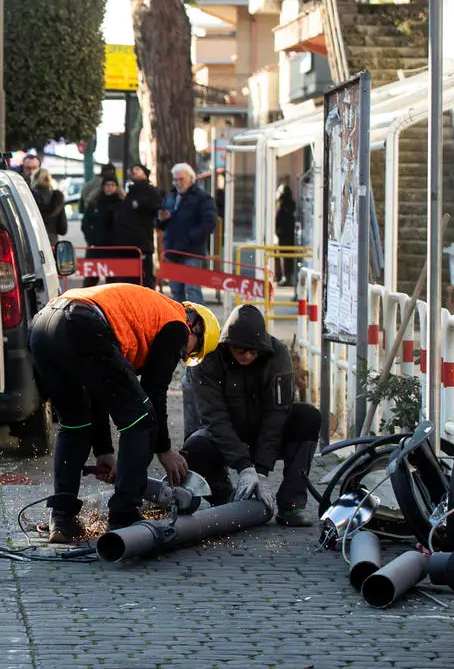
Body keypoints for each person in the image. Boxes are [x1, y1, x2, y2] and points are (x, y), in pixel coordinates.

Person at [28, 283, 220, 542]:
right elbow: (154, 391)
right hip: (81, 323)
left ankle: (62, 519)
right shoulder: (176, 324)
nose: (185, 355)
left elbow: (99, 392)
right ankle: (124, 514)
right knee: (141, 419)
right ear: (195, 327)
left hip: (43, 326)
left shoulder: (143, 317)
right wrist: (164, 450)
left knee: (74, 423)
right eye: (193, 350)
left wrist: (104, 451)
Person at [182, 304, 320, 527]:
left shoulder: (278, 355)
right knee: (195, 446)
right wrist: (244, 467)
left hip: (264, 434)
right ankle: (225, 498)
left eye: (253, 351)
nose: (248, 355)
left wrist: (262, 471)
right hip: (224, 436)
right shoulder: (209, 359)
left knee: (307, 416)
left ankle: (292, 503)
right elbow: (214, 417)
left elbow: (277, 415)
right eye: (241, 350)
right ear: (228, 346)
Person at [156, 163, 218, 304]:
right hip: (172, 250)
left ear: (191, 179)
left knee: (192, 289)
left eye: (181, 179)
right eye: (175, 180)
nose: (178, 183)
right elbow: (161, 223)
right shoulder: (171, 196)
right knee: (175, 290)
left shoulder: (202, 197)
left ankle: (197, 322)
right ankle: (180, 322)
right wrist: (161, 219)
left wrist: (191, 237)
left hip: (191, 251)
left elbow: (209, 222)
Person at [116, 164, 161, 287]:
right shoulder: (131, 192)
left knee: (144, 279)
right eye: (132, 169)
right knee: (129, 281)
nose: (133, 172)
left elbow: (156, 206)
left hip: (142, 244)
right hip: (128, 244)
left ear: (144, 173)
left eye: (137, 169)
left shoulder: (150, 191)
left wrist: (140, 203)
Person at [81, 175, 124, 286]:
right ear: (103, 187)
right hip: (97, 247)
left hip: (115, 249)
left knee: (113, 282)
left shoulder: (122, 203)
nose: (109, 187)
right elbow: (85, 223)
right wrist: (91, 240)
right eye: (107, 185)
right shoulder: (94, 202)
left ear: (117, 187)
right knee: (90, 282)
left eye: (112, 185)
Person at [30, 168, 68, 244]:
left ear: (33, 179)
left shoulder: (28, 197)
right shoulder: (57, 198)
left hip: (33, 241)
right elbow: (63, 229)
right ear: (49, 179)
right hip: (51, 242)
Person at [275, 183, 298, 286]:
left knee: (283, 257)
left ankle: (285, 277)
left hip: (283, 234)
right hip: (291, 234)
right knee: (289, 257)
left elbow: (278, 219)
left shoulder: (281, 204)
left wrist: (276, 231)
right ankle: (289, 277)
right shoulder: (292, 204)